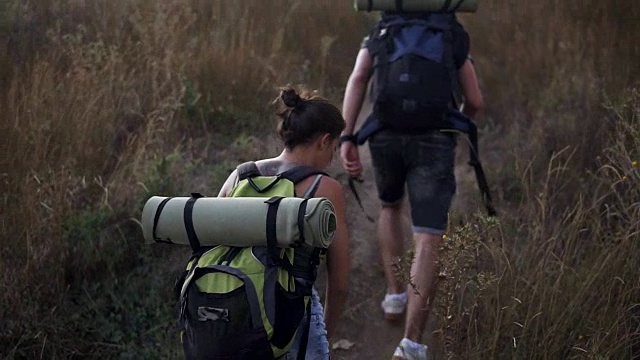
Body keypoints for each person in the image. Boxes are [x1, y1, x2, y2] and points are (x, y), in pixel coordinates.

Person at [339, 11, 484, 360]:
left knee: (390, 206)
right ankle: (412, 344)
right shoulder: (451, 30)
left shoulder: (383, 29)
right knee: (429, 233)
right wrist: (454, 125)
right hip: (435, 138)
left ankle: (394, 295)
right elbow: (476, 101)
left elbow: (358, 78)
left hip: (386, 135)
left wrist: (348, 136)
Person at [218, 86, 350, 359]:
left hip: (232, 303)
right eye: (334, 148)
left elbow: (211, 240)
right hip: (292, 313)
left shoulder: (241, 175)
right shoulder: (324, 188)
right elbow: (340, 282)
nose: (332, 158)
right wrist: (324, 331)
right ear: (324, 141)